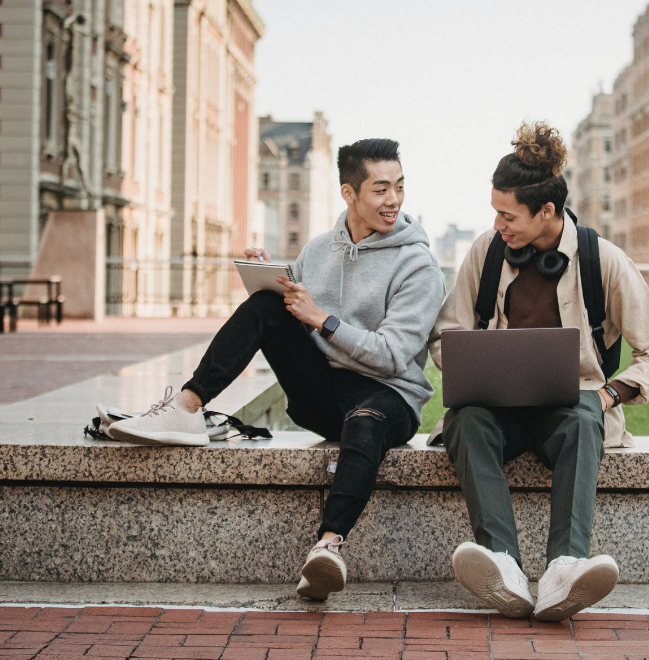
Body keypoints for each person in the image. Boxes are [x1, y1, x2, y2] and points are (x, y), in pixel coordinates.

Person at [106, 138, 445, 602]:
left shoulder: (418, 263)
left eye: (399, 187)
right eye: (381, 189)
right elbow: (300, 323)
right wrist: (279, 285)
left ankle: (327, 548)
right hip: (324, 395)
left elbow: (391, 355)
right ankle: (186, 406)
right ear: (349, 193)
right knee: (265, 304)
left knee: (364, 423)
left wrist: (321, 319)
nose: (394, 200)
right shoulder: (319, 249)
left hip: (388, 397)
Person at [428, 122, 649, 622]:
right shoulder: (487, 251)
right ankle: (504, 568)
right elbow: (444, 336)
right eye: (494, 212)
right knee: (464, 419)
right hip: (497, 412)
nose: (498, 223)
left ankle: (565, 569)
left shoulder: (601, 259)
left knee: (586, 417)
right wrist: (470, 367)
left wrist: (610, 394)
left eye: (507, 214)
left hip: (571, 412)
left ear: (546, 211)